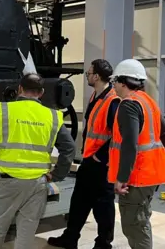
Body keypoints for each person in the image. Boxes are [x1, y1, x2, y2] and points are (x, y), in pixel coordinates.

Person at [0, 73, 76, 249]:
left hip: (7, 182)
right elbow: (69, 147)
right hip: (37, 184)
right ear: (42, 92)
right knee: (26, 232)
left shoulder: (4, 111)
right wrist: (57, 175)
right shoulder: (52, 116)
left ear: (20, 89)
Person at [48, 59, 120, 249]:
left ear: (96, 76)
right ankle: (70, 237)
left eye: (89, 73)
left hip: (101, 164)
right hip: (89, 160)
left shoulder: (113, 100)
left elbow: (117, 135)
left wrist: (102, 157)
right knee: (79, 200)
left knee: (103, 206)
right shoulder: (96, 96)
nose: (87, 75)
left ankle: (103, 244)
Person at [109, 59, 165, 249]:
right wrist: (163, 166)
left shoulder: (129, 105)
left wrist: (122, 177)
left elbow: (130, 143)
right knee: (140, 220)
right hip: (150, 176)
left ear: (122, 82)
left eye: (115, 82)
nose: (113, 87)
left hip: (137, 178)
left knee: (135, 225)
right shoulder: (147, 102)